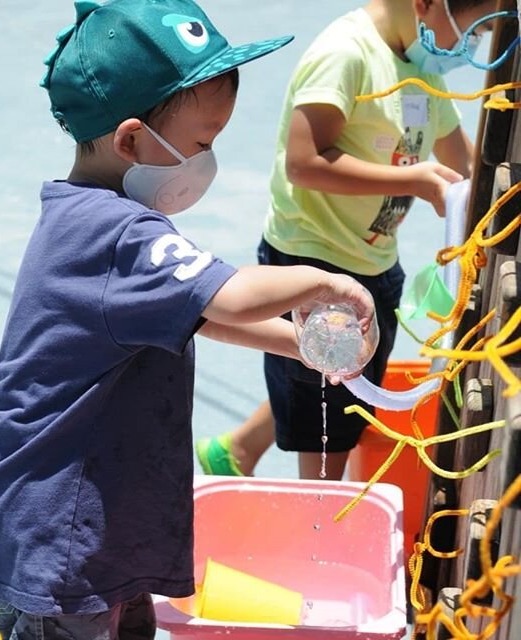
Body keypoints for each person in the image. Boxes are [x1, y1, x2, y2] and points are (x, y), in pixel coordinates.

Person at [0, 1, 377, 638]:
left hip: (83, 533)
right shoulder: (117, 233)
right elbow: (227, 296)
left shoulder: (88, 219)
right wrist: (323, 281)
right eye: (202, 142)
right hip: (59, 540)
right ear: (129, 140)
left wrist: (298, 344)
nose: (208, 158)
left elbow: (195, 311)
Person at [195, 0, 499, 481]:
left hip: (374, 257)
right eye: (471, 33)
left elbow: (464, 162)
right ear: (425, 4)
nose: (472, 50)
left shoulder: (418, 71)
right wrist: (411, 181)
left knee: (335, 376)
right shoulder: (346, 56)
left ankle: (237, 448)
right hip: (314, 261)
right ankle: (320, 523)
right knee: (330, 420)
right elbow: (303, 162)